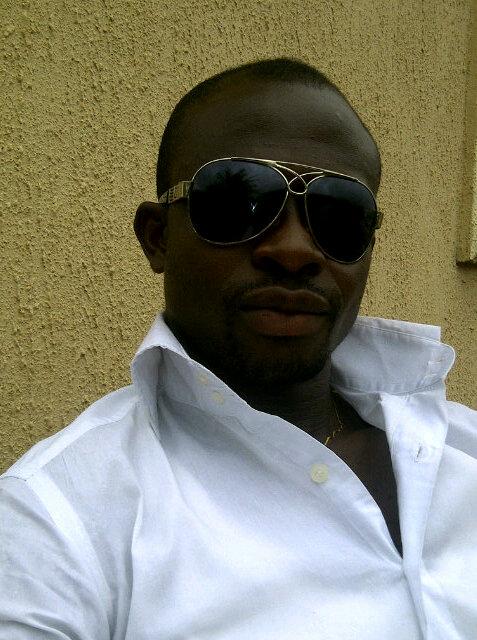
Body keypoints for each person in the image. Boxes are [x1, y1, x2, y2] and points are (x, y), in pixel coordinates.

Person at [0, 58, 475, 639]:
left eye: (339, 214)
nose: (295, 249)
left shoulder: (461, 449)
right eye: (237, 200)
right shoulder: (59, 519)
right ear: (157, 238)